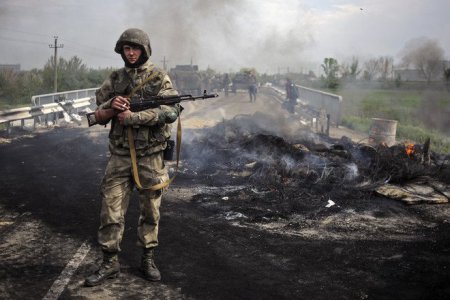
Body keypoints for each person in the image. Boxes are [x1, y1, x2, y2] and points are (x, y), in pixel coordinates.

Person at [85, 28, 182, 287]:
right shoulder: (115, 78)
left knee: (151, 211)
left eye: (135, 48)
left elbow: (171, 111)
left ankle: (148, 258)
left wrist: (135, 117)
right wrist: (112, 106)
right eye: (127, 48)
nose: (131, 53)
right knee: (110, 211)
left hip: (150, 157)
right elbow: (98, 110)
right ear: (121, 50)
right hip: (119, 156)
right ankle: (109, 262)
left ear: (144, 50)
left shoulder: (159, 77)